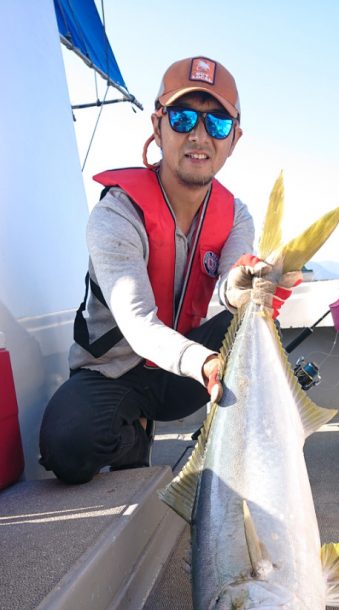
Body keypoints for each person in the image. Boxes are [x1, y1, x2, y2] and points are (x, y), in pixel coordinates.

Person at [39, 56, 293, 484]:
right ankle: (133, 436)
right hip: (116, 371)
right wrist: (206, 362)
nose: (198, 135)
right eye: (182, 118)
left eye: (216, 124)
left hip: (183, 377)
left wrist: (244, 286)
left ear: (234, 140)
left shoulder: (236, 216)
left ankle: (252, 462)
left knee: (256, 313)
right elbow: (137, 324)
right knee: (67, 444)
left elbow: (232, 281)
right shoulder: (117, 213)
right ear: (157, 128)